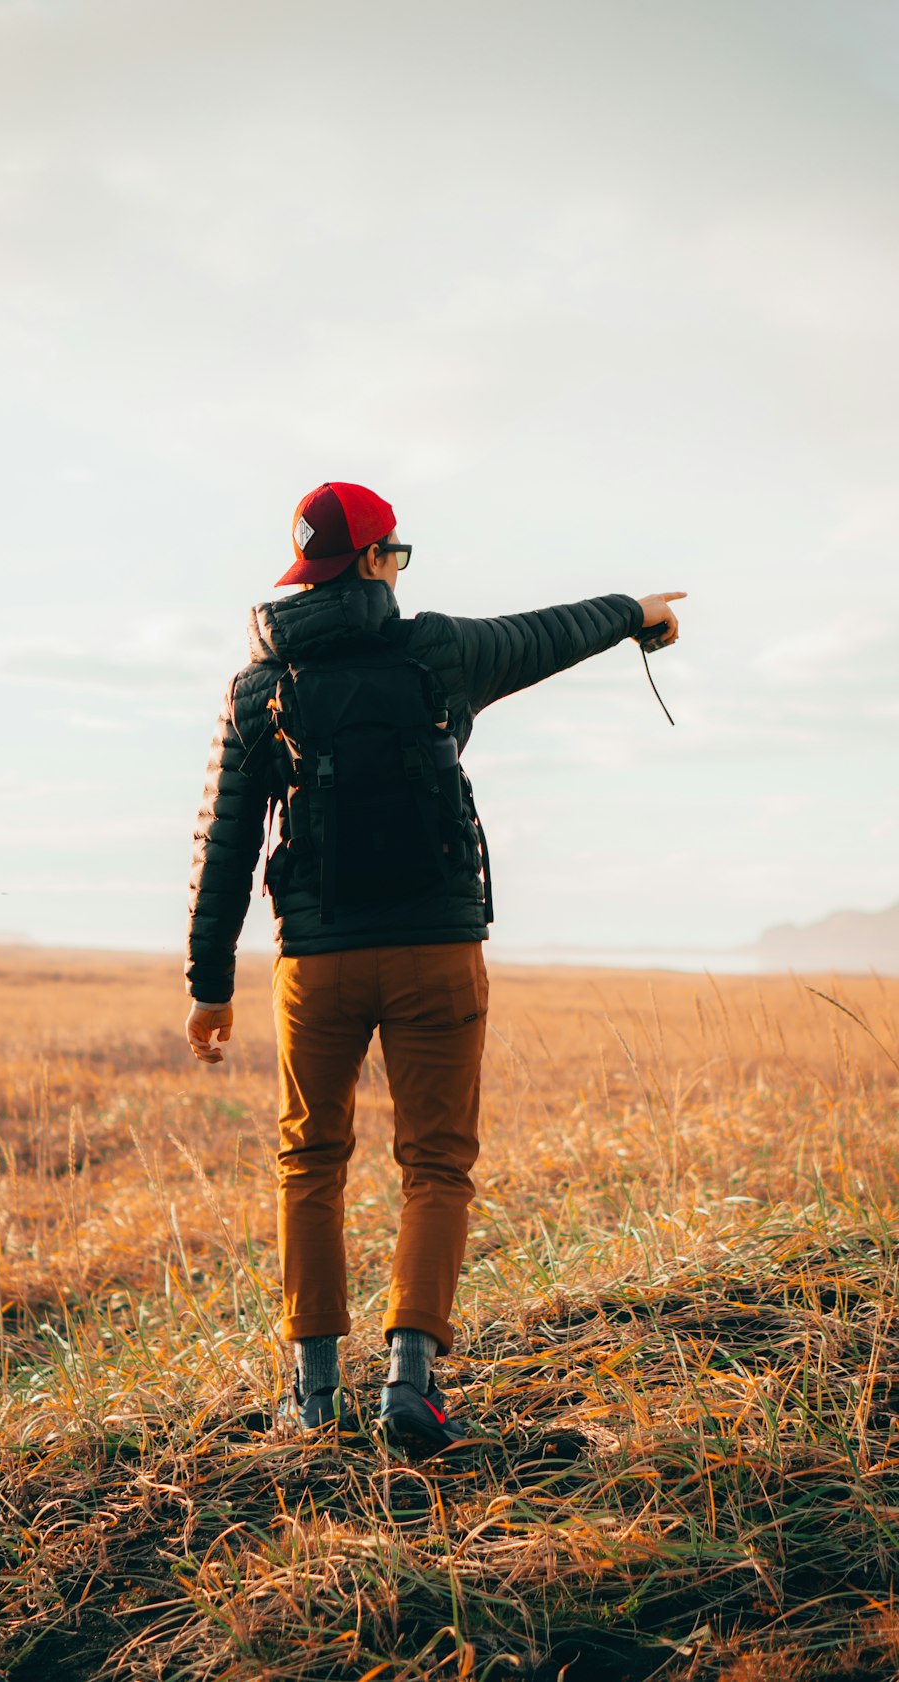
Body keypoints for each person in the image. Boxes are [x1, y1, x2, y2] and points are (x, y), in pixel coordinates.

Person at [185, 480, 685, 1451]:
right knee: (435, 1163)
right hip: (435, 950)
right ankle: (409, 1382)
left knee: (309, 1160)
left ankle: (313, 1394)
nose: (399, 569)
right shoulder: (438, 653)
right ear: (373, 562)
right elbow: (548, 632)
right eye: (395, 554)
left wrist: (210, 984)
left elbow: (226, 842)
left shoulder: (259, 685)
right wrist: (636, 614)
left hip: (316, 963)